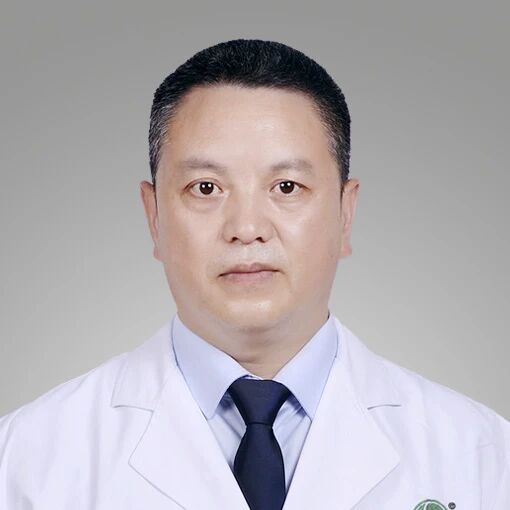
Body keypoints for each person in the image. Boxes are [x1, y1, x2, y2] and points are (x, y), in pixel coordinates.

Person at [0, 38, 508, 510]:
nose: (246, 229)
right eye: (205, 188)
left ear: (345, 213)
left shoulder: (480, 454)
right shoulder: (27, 460)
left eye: (286, 187)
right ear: (154, 216)